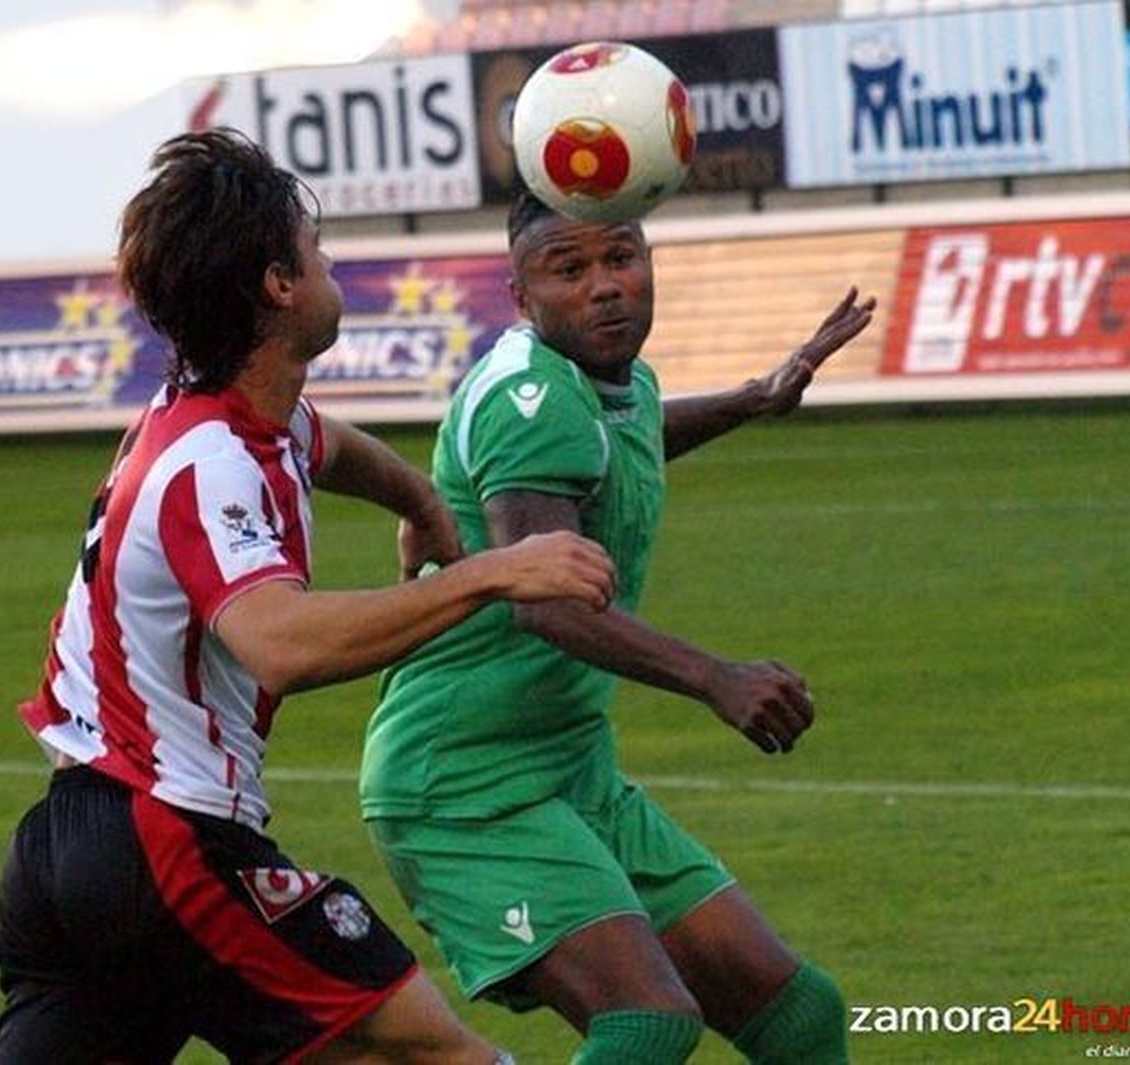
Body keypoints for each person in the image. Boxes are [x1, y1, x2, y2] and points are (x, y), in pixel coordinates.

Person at [0, 132, 616, 1065]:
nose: (331, 261)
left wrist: (421, 501)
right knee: (422, 1048)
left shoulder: (229, 415)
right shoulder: (209, 464)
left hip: (72, 853)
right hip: (165, 839)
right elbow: (282, 643)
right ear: (280, 285)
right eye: (314, 247)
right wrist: (493, 571)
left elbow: (326, 445)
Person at [360, 190, 877, 1065]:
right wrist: (716, 676)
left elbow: (616, 439)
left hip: (569, 766)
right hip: (463, 786)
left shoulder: (613, 382)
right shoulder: (526, 394)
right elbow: (544, 597)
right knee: (648, 1021)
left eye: (622, 258)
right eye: (570, 269)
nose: (606, 286)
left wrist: (754, 396)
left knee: (800, 1014)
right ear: (521, 296)